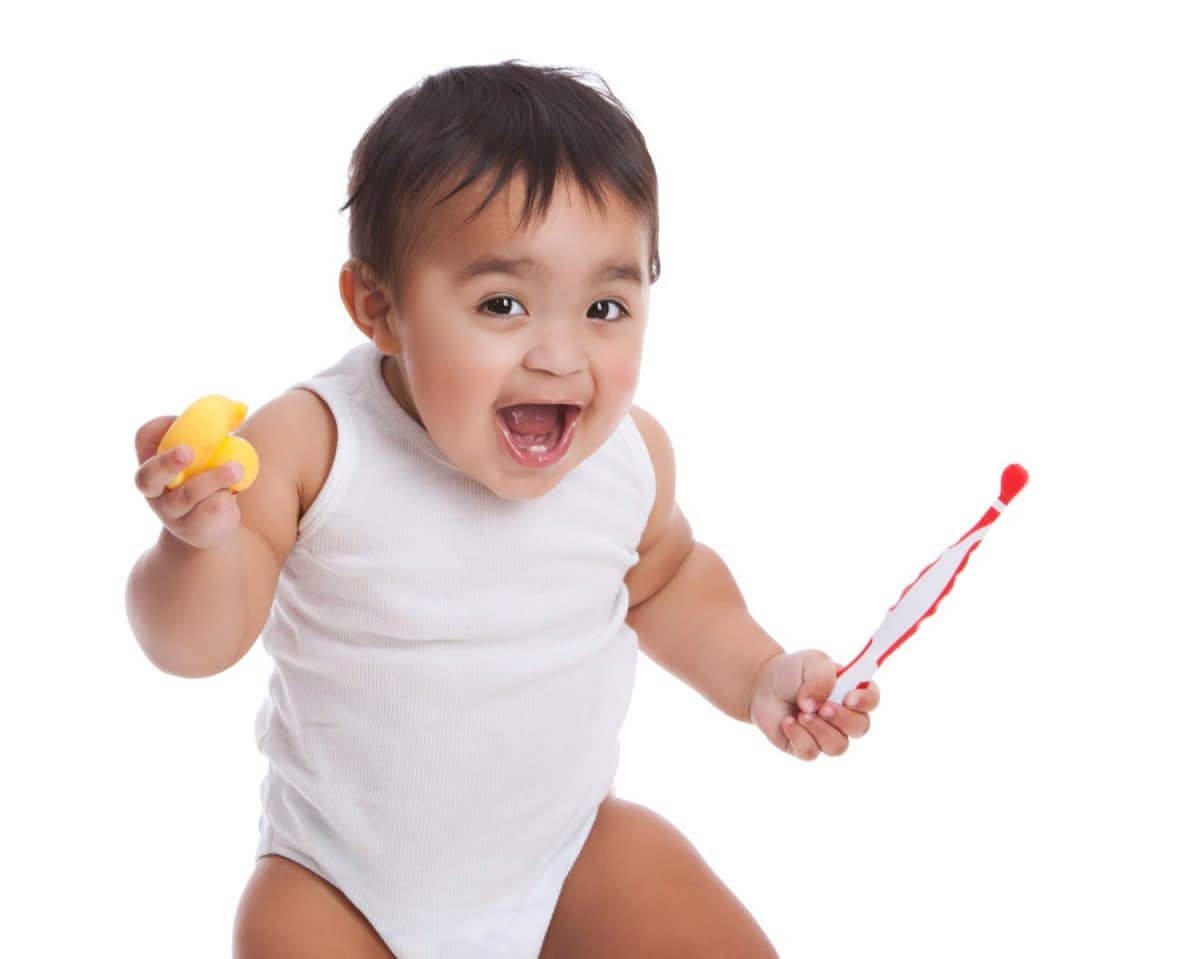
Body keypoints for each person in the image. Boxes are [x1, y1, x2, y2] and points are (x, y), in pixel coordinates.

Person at [127, 59, 880, 959]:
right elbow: (191, 646)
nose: (560, 356)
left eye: (605, 305)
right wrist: (198, 547)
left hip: (563, 861)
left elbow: (671, 581)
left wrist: (760, 674)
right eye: (502, 303)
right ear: (380, 308)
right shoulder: (314, 445)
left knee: (688, 905)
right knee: (284, 933)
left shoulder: (627, 458)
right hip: (339, 891)